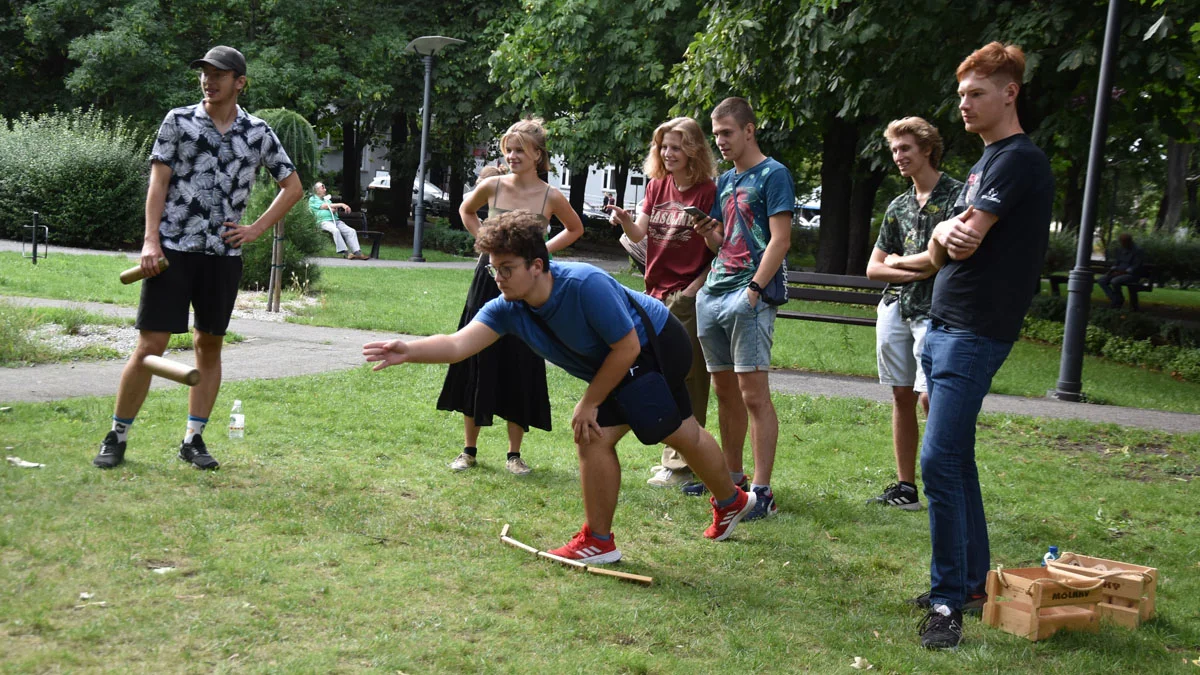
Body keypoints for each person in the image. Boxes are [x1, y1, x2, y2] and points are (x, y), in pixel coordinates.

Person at [364, 211, 757, 561]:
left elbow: (626, 346)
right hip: (625, 355)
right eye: (492, 269)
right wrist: (408, 349)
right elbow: (457, 344)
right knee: (675, 432)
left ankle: (601, 541)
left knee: (614, 434)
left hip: (655, 345)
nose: (498, 278)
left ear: (537, 265)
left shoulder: (584, 284)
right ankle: (731, 501)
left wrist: (589, 402)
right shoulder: (508, 307)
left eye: (506, 268)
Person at [92, 45, 302, 470]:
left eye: (218, 74)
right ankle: (117, 435)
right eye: (204, 73)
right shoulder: (178, 121)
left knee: (209, 345)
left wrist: (256, 229)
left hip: (222, 256)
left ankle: (193, 439)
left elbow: (293, 186)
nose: (209, 80)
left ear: (239, 82)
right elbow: (158, 183)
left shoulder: (258, 132)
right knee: (151, 344)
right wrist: (150, 241)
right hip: (172, 252)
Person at [913, 42, 1054, 649]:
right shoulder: (988, 160)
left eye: (976, 93)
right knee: (956, 459)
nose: (963, 105)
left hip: (973, 330)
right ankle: (971, 584)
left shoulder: (1018, 160)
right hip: (946, 325)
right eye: (961, 94)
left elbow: (960, 242)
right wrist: (946, 231)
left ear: (1009, 93)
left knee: (936, 462)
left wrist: (944, 230)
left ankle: (947, 599)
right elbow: (949, 238)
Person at [437, 119, 584, 476]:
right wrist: (487, 244)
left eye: (520, 150)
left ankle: (513, 455)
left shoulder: (550, 195)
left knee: (522, 358)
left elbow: (575, 228)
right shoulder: (492, 185)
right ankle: (468, 450)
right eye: (509, 149)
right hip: (488, 280)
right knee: (474, 354)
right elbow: (465, 210)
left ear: (538, 154)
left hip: (529, 288)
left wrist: (539, 253)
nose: (513, 156)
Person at [686, 98, 793, 522]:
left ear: (750, 130)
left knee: (753, 394)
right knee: (723, 391)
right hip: (714, 291)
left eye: (727, 133)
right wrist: (707, 231)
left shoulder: (774, 174)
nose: (721, 141)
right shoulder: (725, 181)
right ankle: (731, 481)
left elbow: (780, 240)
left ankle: (762, 492)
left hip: (749, 294)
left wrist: (753, 290)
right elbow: (722, 241)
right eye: (716, 135)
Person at [606, 117, 718, 488]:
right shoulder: (657, 186)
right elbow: (639, 233)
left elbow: (719, 249)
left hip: (686, 293)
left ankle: (683, 465)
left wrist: (691, 292)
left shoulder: (708, 191)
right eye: (663, 147)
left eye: (676, 146)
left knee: (688, 377)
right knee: (662, 373)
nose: (668, 154)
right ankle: (674, 457)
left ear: (694, 150)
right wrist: (624, 220)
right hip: (654, 292)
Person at [865, 118, 963, 511]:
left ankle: (945, 485)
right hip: (895, 307)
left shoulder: (957, 196)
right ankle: (907, 488)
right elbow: (873, 269)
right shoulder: (899, 205)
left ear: (926, 148)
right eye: (894, 150)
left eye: (905, 148)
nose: (898, 157)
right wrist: (916, 264)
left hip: (935, 312)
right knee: (901, 395)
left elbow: (943, 261)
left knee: (930, 398)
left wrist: (901, 261)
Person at [308, 181, 368, 260]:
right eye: (323, 188)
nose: (325, 190)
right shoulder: (313, 199)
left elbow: (330, 207)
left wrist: (334, 209)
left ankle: (357, 252)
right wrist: (341, 204)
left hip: (335, 221)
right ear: (317, 190)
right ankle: (345, 252)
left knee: (351, 231)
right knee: (335, 230)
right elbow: (325, 206)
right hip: (323, 221)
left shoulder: (327, 200)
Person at [1097, 233, 1146, 309]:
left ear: (1129, 241)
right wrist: (1112, 270)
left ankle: (1117, 300)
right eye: (1121, 242)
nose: (1122, 244)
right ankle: (1116, 298)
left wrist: (1121, 273)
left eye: (1123, 242)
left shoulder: (1138, 251)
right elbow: (1117, 262)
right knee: (1101, 280)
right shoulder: (1121, 250)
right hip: (1118, 272)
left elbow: (1135, 266)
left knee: (1115, 281)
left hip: (1131, 275)